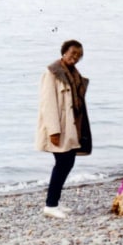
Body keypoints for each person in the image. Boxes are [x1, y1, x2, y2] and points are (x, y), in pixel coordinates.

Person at [35, 39, 92, 219]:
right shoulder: (52, 73)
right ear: (64, 52)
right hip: (59, 128)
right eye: (73, 53)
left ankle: (54, 202)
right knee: (62, 164)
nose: (75, 57)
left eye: (79, 55)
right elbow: (48, 104)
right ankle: (50, 205)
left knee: (67, 163)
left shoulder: (73, 73)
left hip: (71, 127)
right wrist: (53, 131)